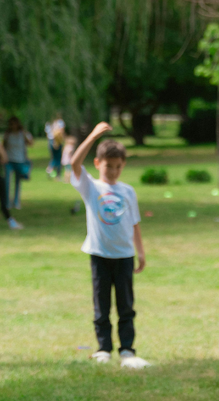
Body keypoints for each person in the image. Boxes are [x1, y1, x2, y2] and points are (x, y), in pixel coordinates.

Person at [70, 122, 150, 369]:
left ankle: (127, 348)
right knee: (101, 304)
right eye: (108, 166)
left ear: (123, 165)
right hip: (100, 254)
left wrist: (141, 251)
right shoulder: (91, 187)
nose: (113, 171)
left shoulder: (128, 191)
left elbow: (134, 222)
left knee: (126, 305)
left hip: (124, 255)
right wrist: (93, 135)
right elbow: (74, 163)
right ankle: (104, 348)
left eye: (118, 166)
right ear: (97, 164)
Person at [3, 117, 33, 210]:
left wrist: (25, 133)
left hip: (20, 160)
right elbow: (3, 146)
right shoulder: (8, 134)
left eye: (14, 123)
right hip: (9, 160)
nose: (12, 126)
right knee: (7, 182)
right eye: (11, 124)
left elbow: (31, 143)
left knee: (17, 182)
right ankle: (7, 202)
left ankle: (16, 202)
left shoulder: (22, 134)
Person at [46, 112, 66, 180]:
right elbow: (61, 132)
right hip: (58, 141)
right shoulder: (60, 122)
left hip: (50, 141)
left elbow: (47, 134)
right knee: (59, 158)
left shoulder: (48, 123)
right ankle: (58, 175)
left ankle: (49, 169)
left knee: (53, 157)